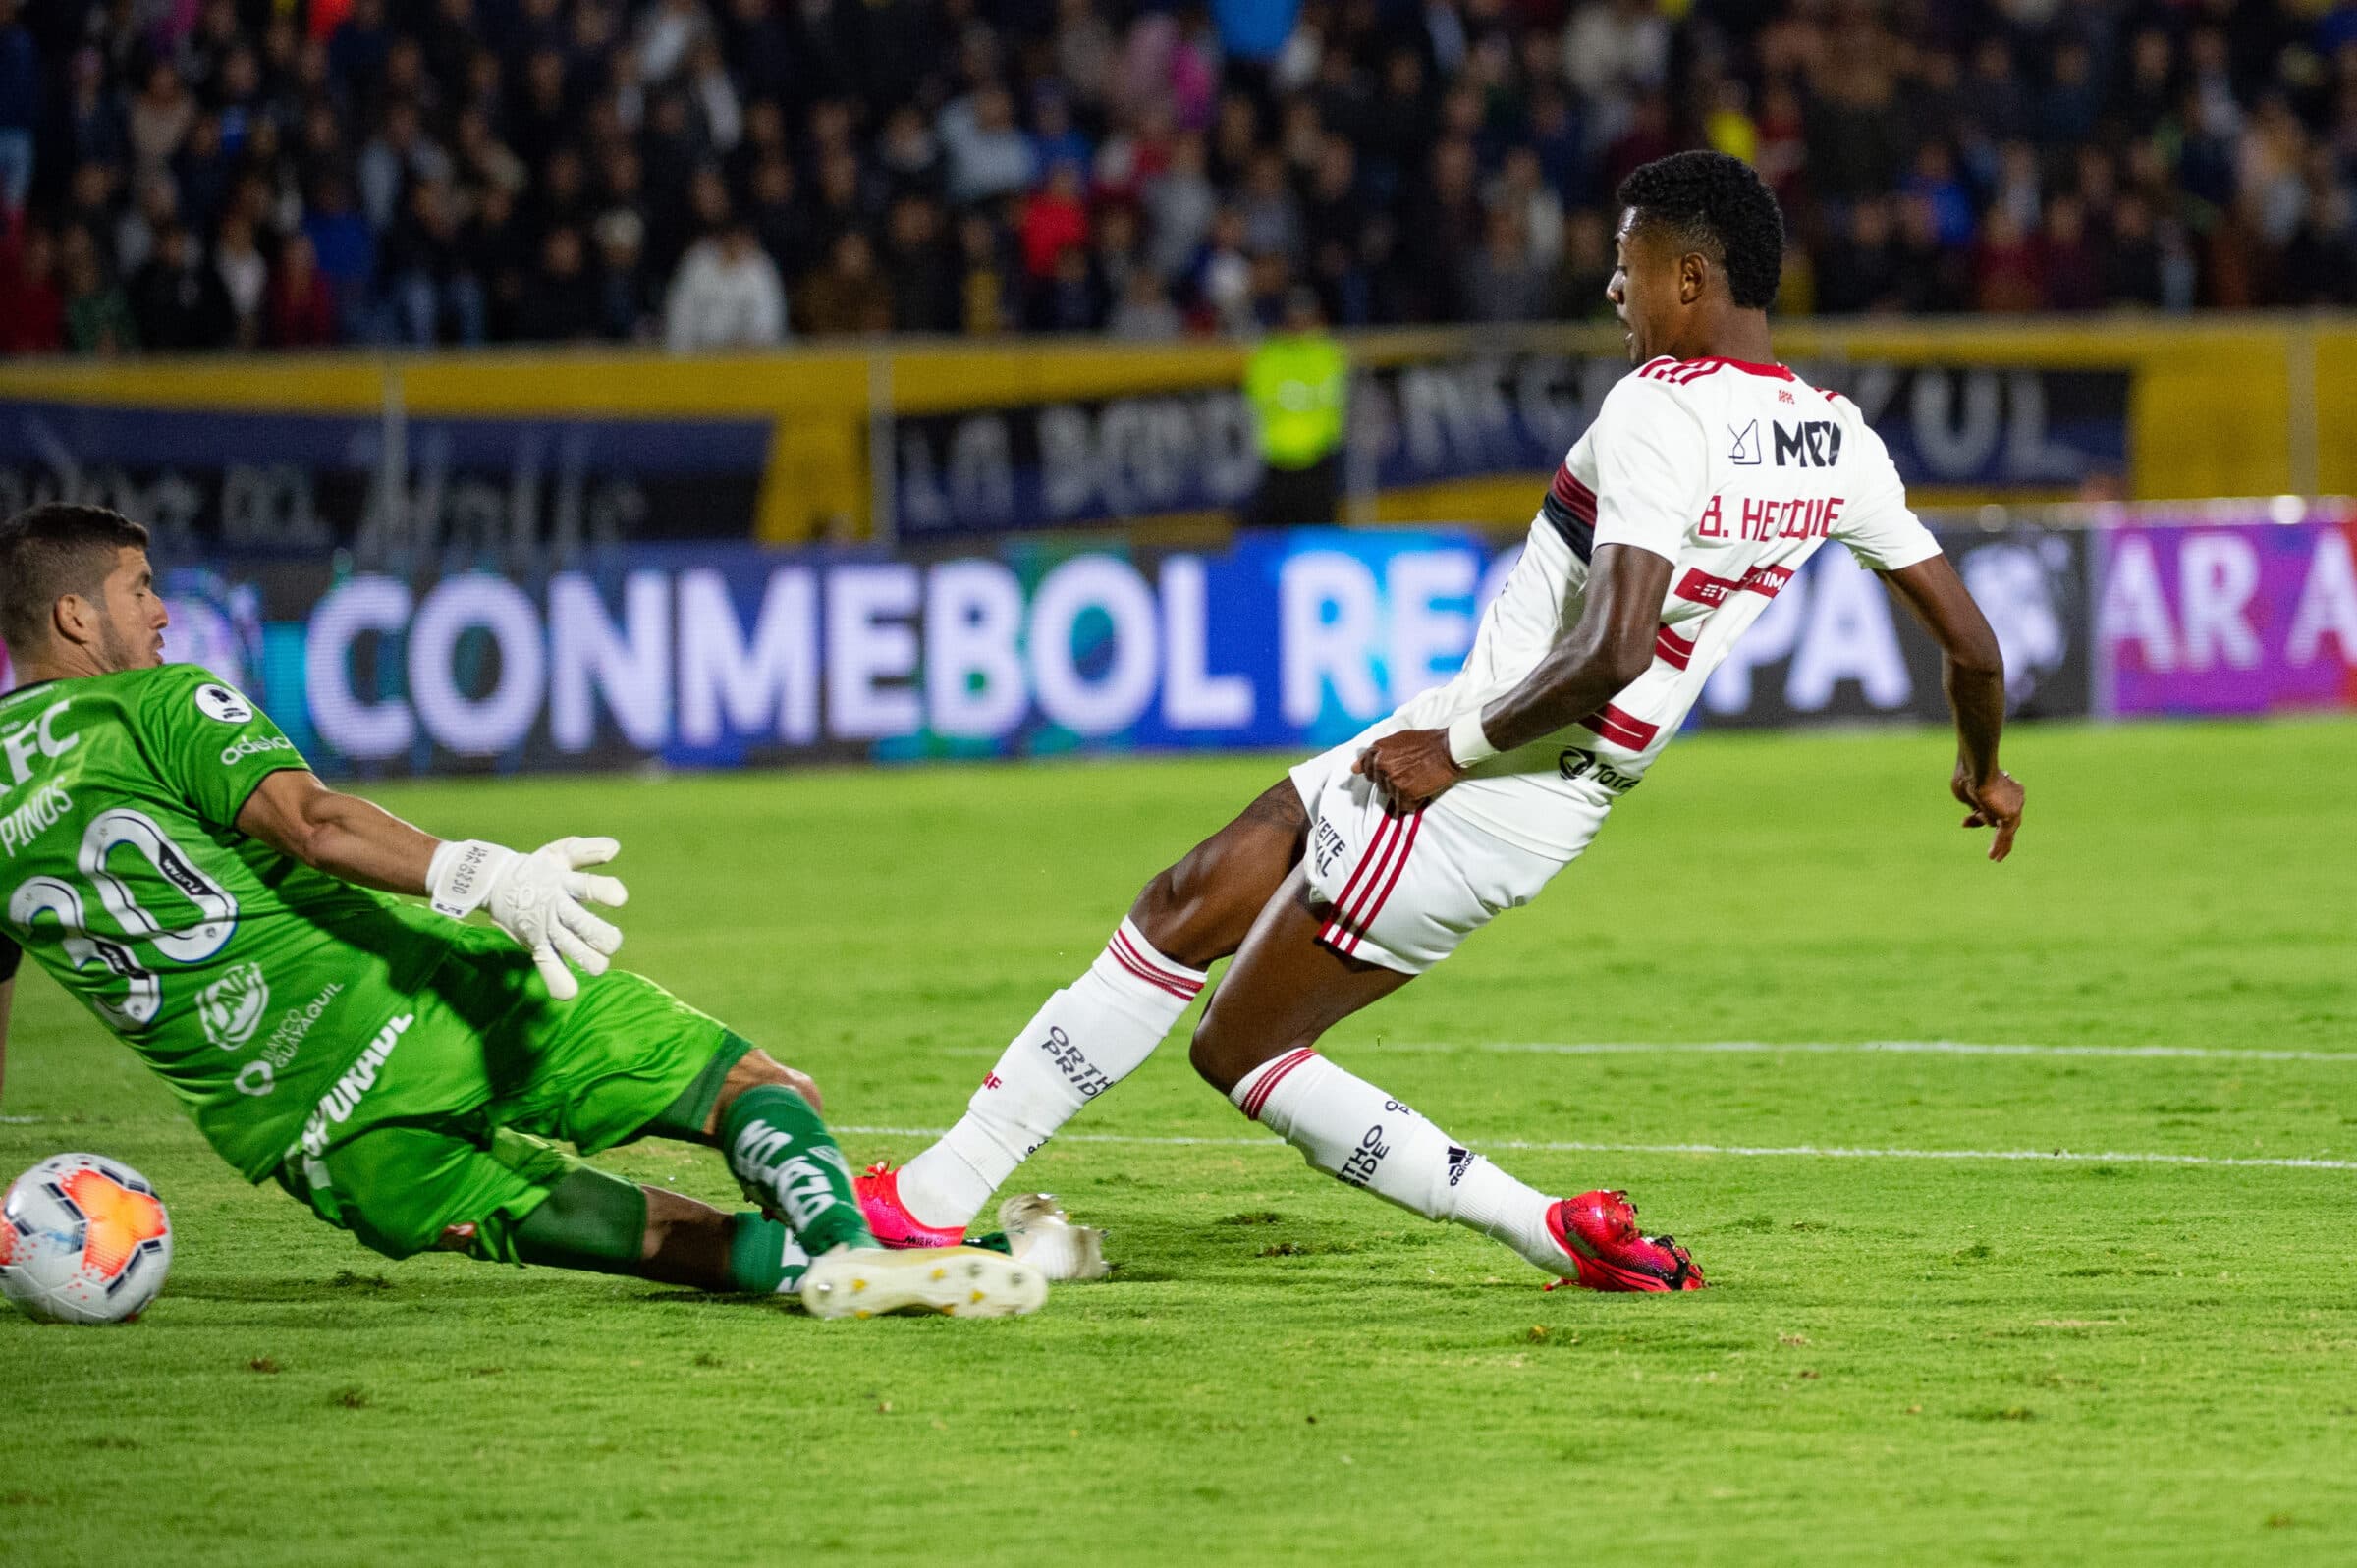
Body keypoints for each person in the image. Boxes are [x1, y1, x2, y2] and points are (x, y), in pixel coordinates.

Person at [857, 152, 2026, 1293]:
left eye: (1630, 264)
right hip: (1496, 744)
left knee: (1241, 1047)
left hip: (1494, 777)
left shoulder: (1658, 412)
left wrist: (1452, 754)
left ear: (1691, 278)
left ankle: (1548, 1231)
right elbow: (1973, 646)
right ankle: (935, 1192)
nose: (1614, 289)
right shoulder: (1835, 437)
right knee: (1184, 897)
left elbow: (1613, 647)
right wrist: (1983, 767)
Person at [0, 504, 1043, 1320]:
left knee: (658, 1244)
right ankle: (858, 1245)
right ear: (74, 616)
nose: (163, 614)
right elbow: (311, 823)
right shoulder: (156, 703)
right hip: (430, 1006)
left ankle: (848, 1266)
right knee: (752, 1087)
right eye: (140, 590)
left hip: (328, 1144)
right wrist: (479, 874)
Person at [1242, 286, 1348, 527]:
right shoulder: (1269, 355)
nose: (1300, 322)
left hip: (1317, 460)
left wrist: (1292, 394)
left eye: (1305, 315)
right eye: (1295, 315)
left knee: (1318, 539)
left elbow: (1331, 396)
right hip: (1278, 462)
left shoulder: (1327, 353)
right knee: (1278, 538)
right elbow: (1261, 397)